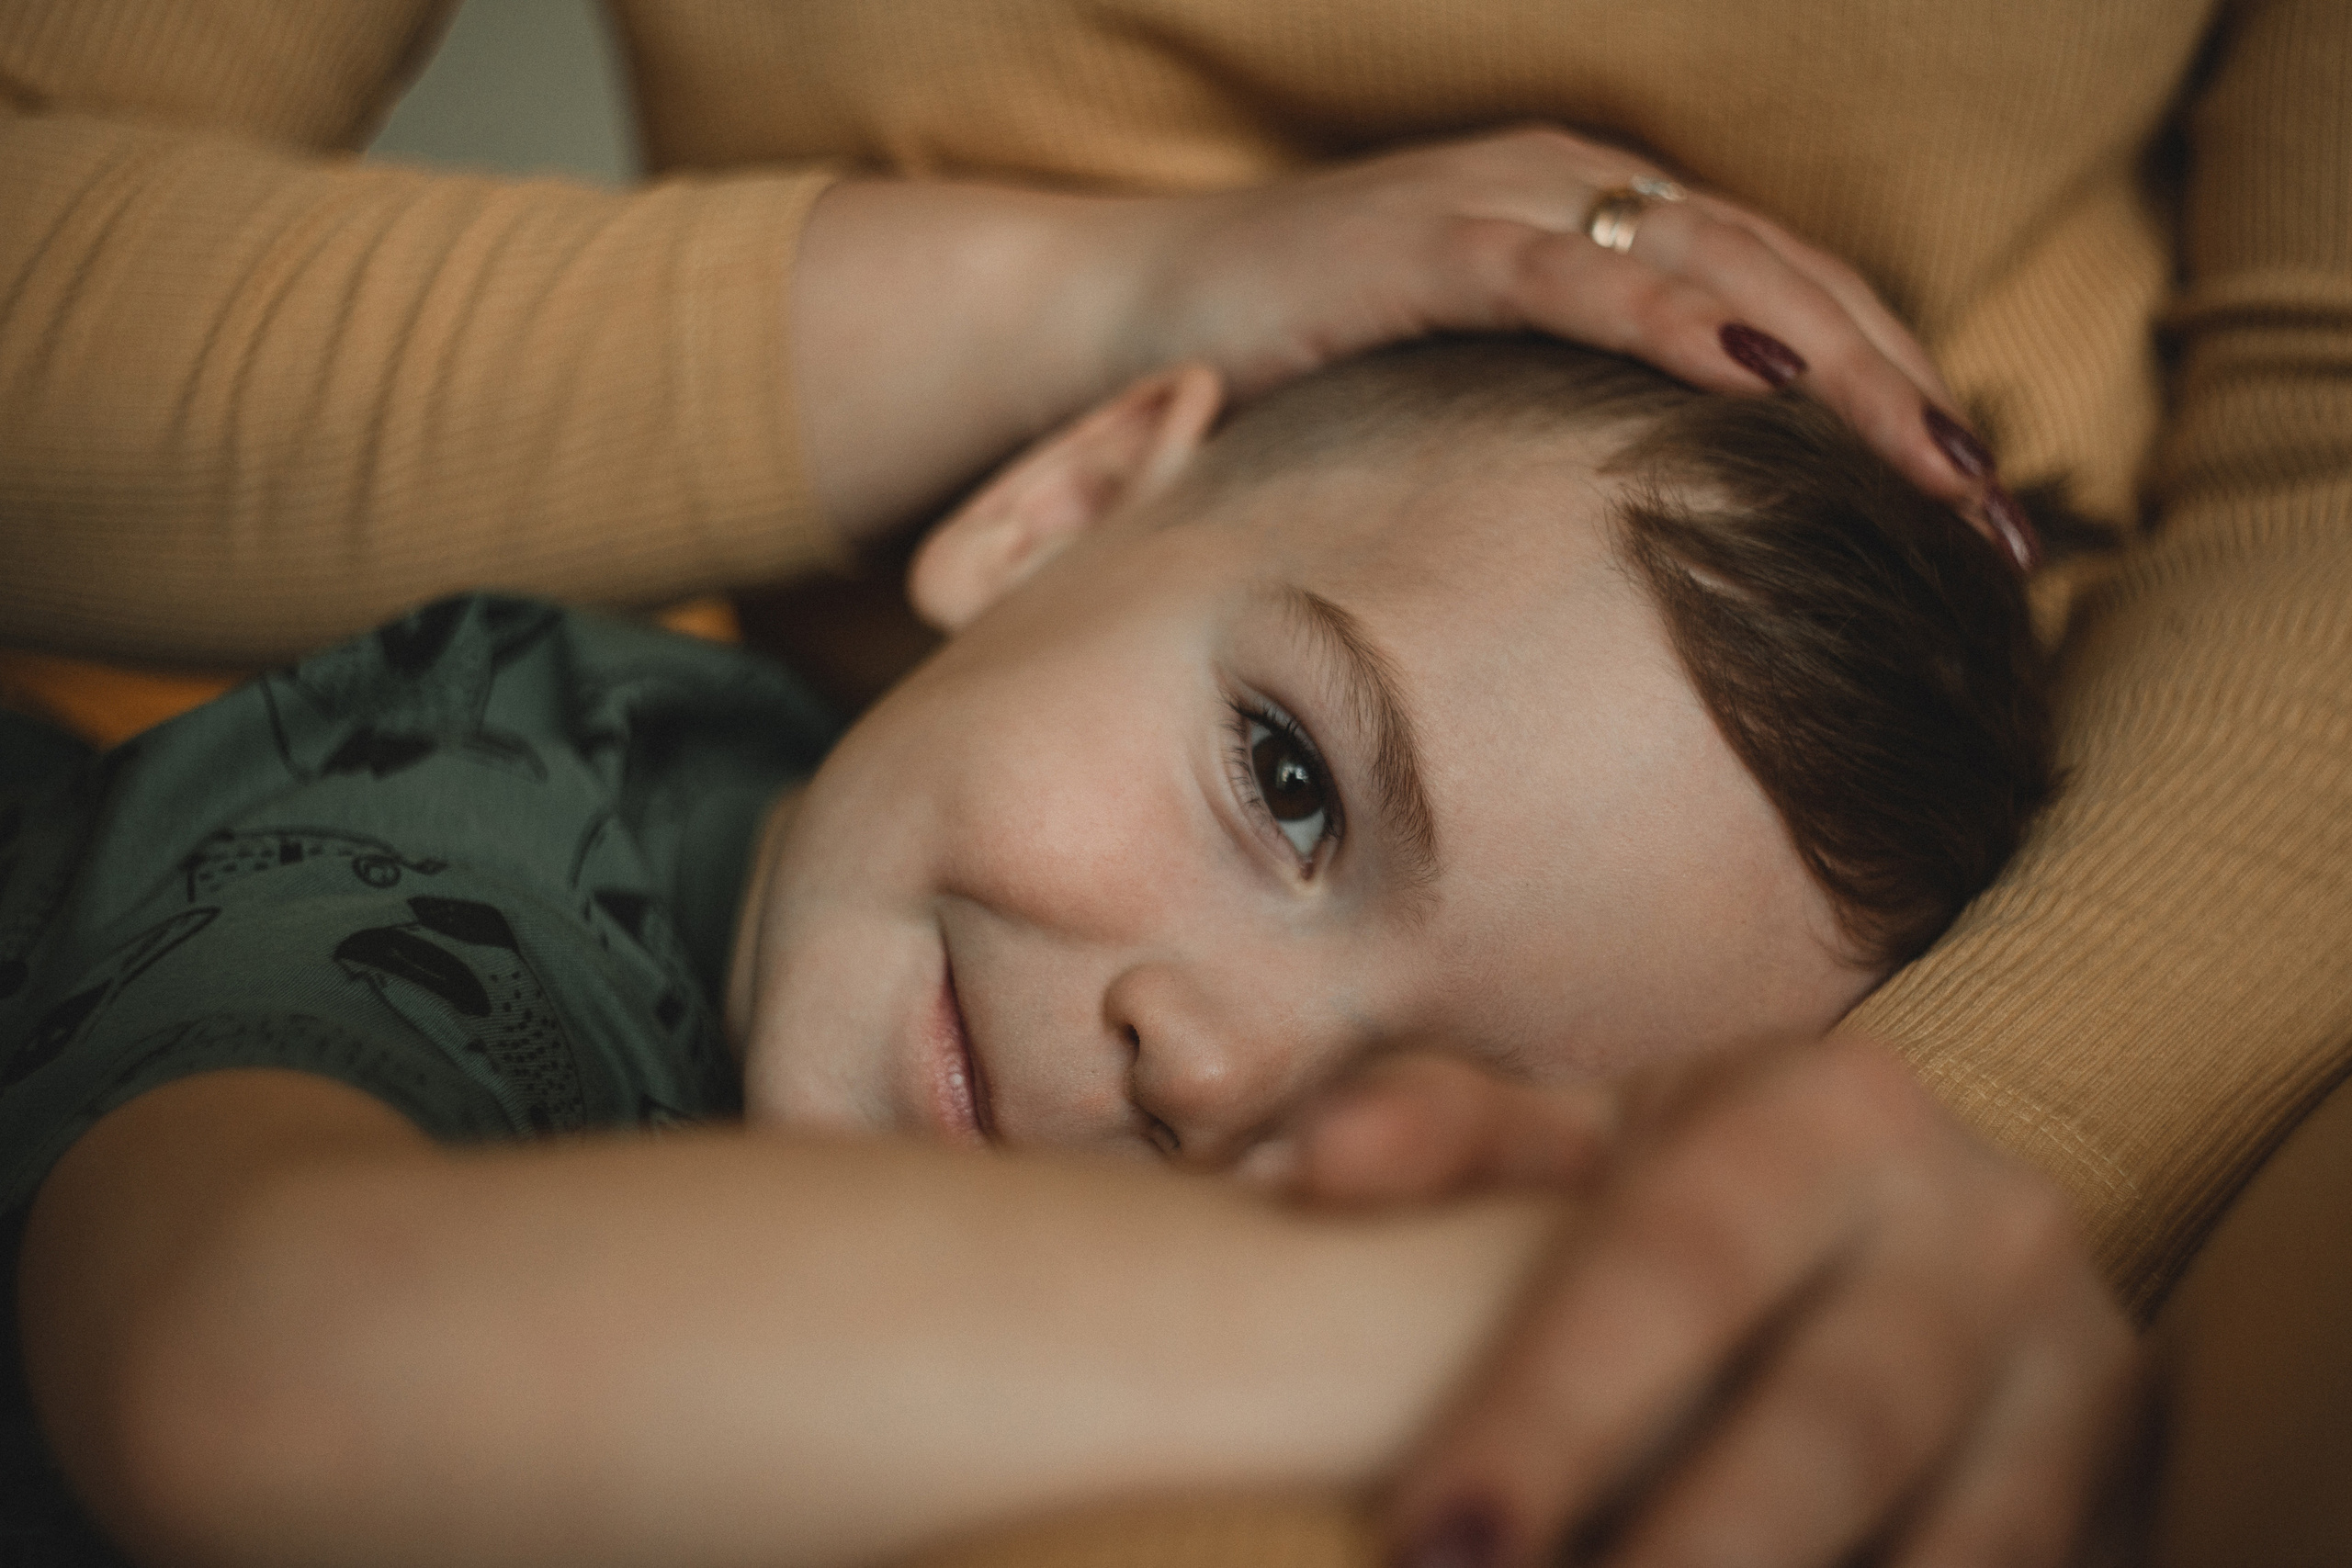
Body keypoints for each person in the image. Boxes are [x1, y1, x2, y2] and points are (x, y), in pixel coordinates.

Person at [4, 1, 2346, 1562]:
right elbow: (266, 1357)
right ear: (1056, 500)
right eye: (1289, 782)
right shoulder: (492, 804)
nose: (1216, 1063)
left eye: (1429, 1099)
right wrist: (1556, 1316)